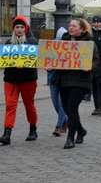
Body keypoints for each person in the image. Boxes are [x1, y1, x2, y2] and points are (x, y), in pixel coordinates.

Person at [50, 19, 100, 149]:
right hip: (63, 80)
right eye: (70, 25)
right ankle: (81, 130)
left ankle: (70, 138)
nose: (70, 28)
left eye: (74, 26)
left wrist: (89, 66)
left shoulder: (89, 43)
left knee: (72, 107)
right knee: (67, 108)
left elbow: (96, 60)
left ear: (81, 29)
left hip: (80, 81)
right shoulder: (63, 42)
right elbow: (54, 58)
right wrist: (50, 65)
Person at [0, 16, 39, 146]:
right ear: (13, 29)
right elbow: (4, 60)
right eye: (17, 27)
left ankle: (33, 128)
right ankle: (7, 133)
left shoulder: (32, 42)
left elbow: (38, 60)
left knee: (29, 105)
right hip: (11, 79)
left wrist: (26, 65)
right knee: (10, 105)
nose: (19, 29)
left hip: (28, 79)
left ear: (25, 28)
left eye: (22, 27)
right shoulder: (8, 43)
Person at [48, 27, 68, 136]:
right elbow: (45, 59)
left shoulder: (70, 46)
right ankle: (65, 119)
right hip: (53, 78)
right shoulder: (51, 47)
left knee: (61, 103)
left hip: (65, 78)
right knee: (55, 102)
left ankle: (59, 125)